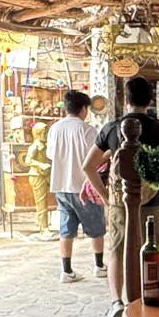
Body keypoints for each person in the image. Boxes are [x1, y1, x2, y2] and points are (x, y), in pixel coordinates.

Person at [81, 76, 159, 317]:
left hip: (120, 204)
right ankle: (148, 301)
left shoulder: (112, 128)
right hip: (152, 202)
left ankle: (117, 302)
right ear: (151, 99)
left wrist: (104, 196)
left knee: (117, 252)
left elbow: (88, 166)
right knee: (152, 252)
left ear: (126, 99)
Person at [48, 90, 105, 283]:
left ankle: (67, 270)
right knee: (96, 227)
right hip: (84, 187)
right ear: (83, 109)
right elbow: (95, 158)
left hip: (61, 186)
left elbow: (50, 155)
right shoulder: (87, 130)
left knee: (66, 230)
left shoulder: (54, 129)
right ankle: (99, 266)